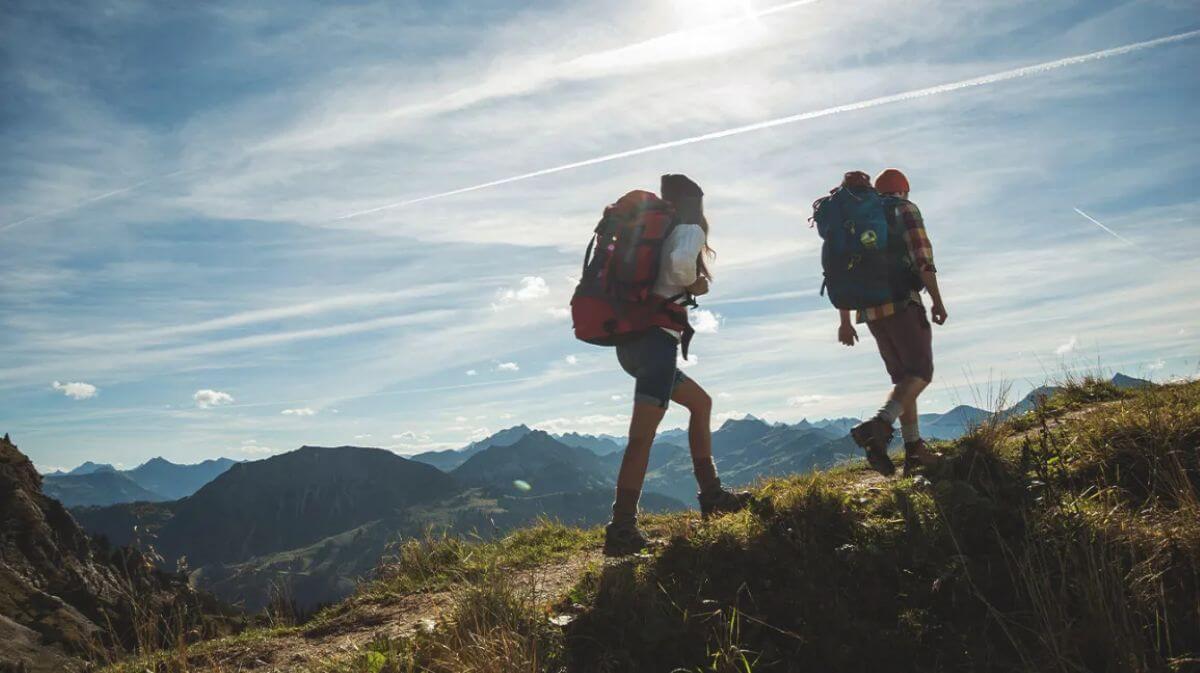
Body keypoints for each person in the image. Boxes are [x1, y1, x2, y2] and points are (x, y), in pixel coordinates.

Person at [604, 174, 751, 556]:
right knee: (642, 437)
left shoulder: (655, 230)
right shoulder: (688, 229)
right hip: (656, 343)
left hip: (633, 343)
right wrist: (696, 283)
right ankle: (622, 528)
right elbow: (680, 265)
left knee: (700, 404)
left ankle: (712, 495)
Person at [839, 168, 946, 476]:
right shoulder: (905, 209)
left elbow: (841, 272)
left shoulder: (856, 221)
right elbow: (923, 258)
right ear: (904, 190)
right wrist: (937, 301)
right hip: (902, 303)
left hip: (870, 312)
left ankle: (914, 451)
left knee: (904, 380)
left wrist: (844, 321)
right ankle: (880, 424)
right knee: (921, 373)